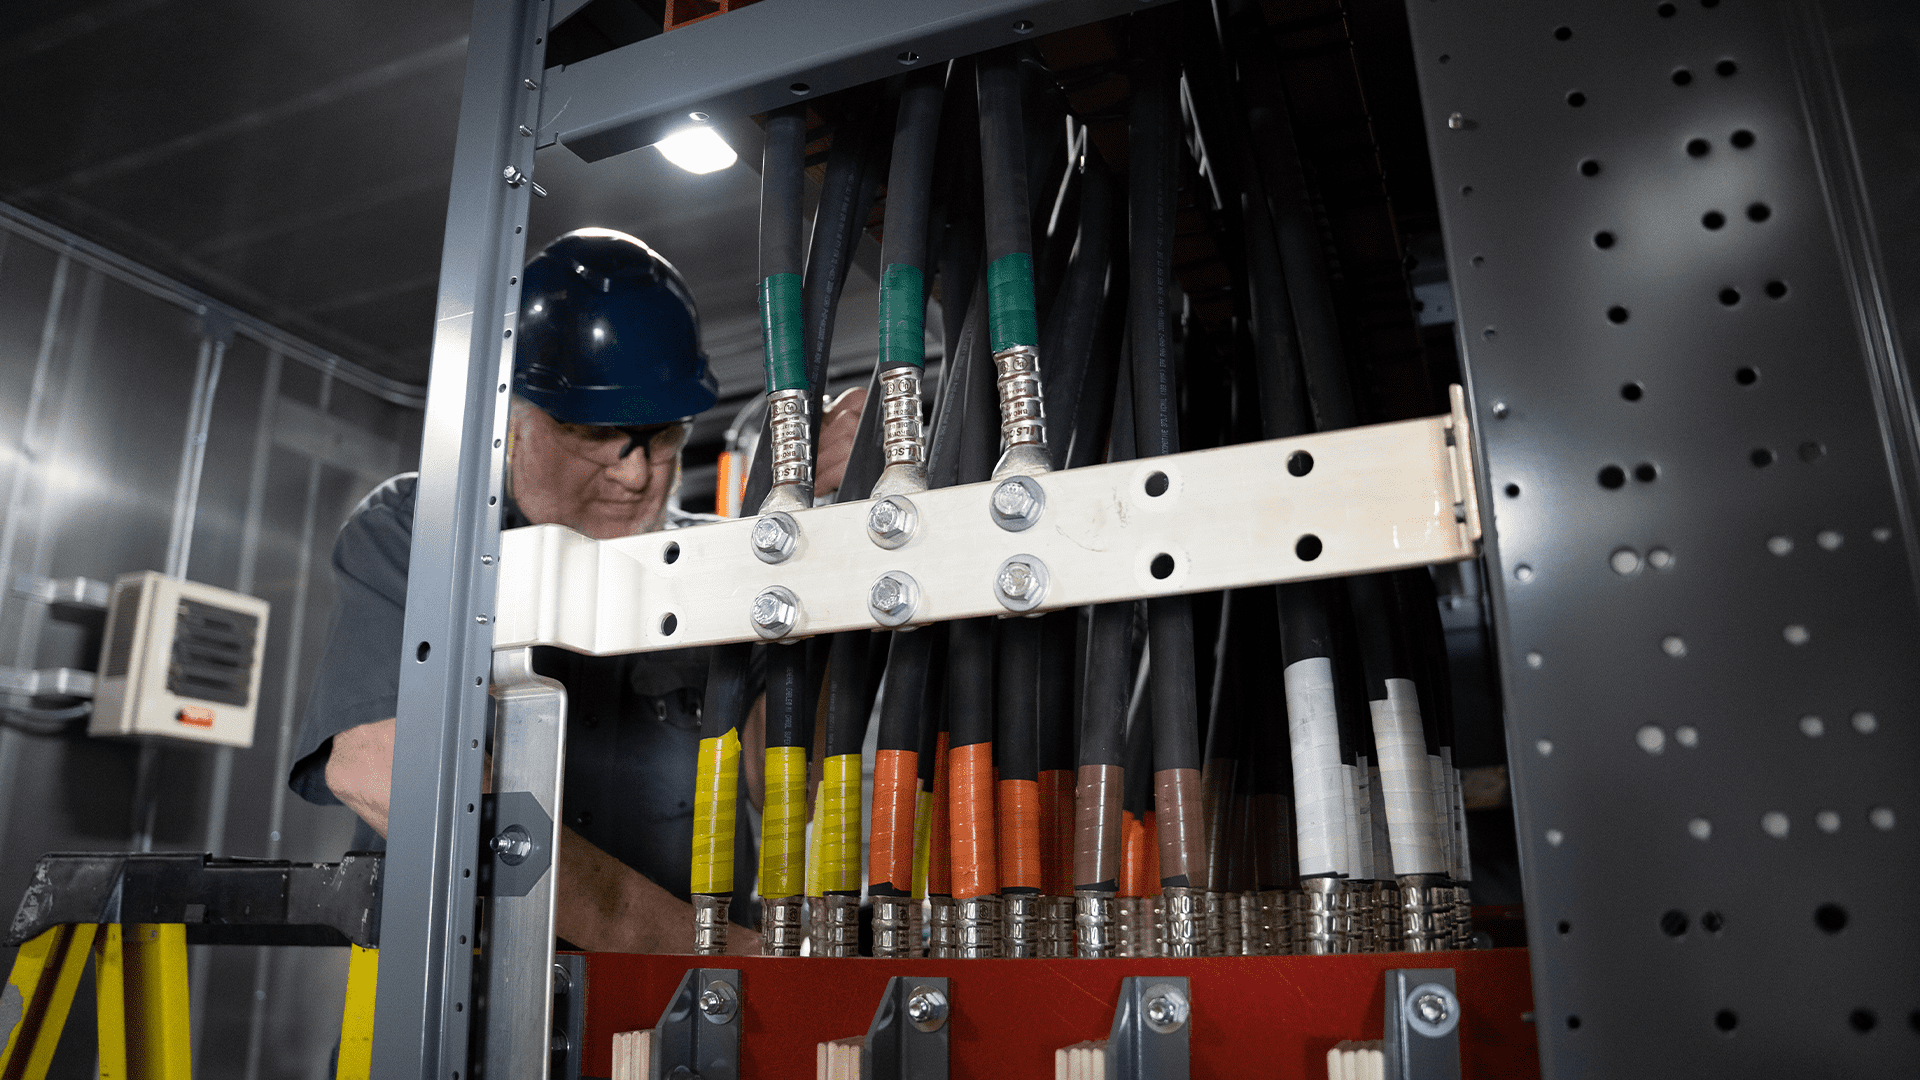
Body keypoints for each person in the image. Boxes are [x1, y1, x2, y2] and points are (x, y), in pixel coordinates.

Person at [288, 228, 864, 953]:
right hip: (452, 1024)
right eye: (595, 435)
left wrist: (825, 567)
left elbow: (786, 791)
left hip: (676, 1033)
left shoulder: (725, 562)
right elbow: (384, 772)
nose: (635, 473)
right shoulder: (425, 533)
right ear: (513, 423)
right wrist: (683, 947)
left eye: (660, 436)